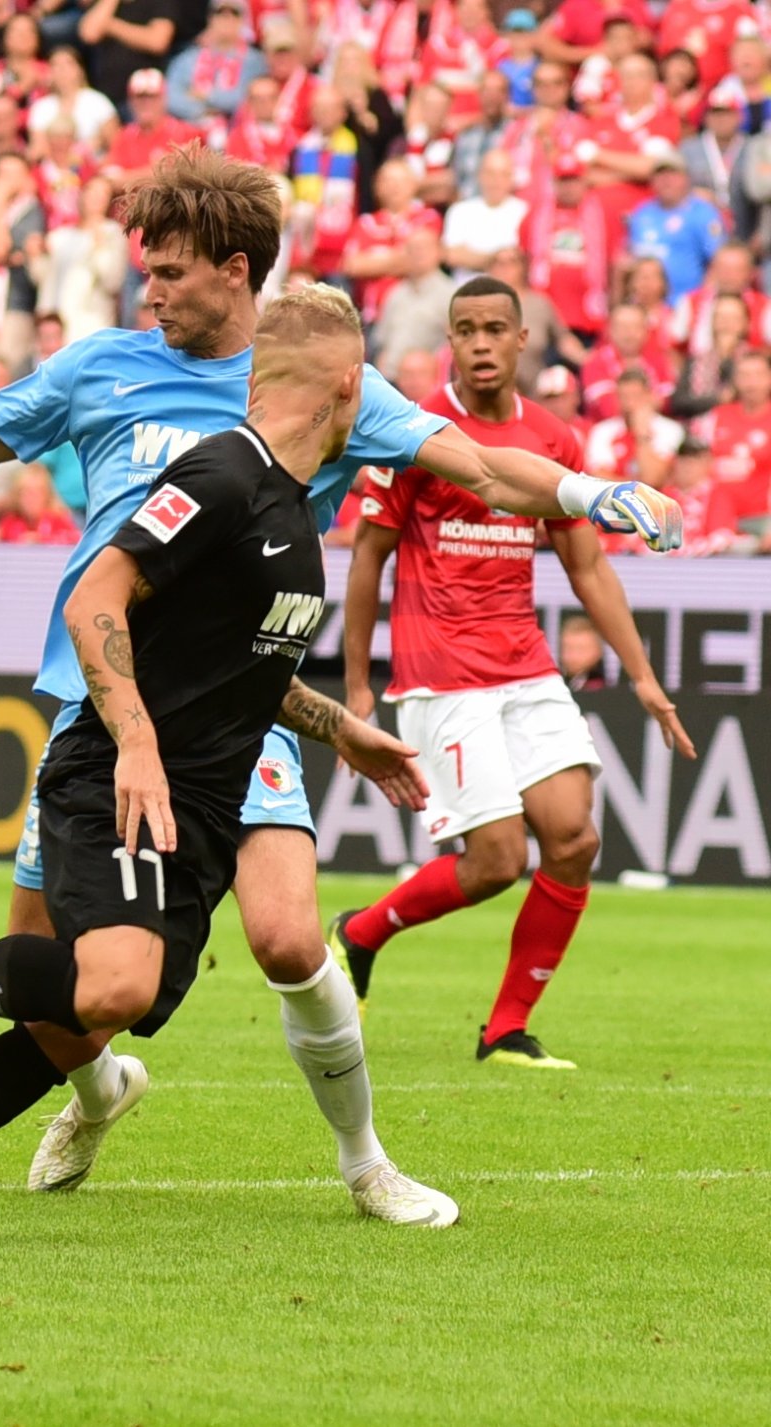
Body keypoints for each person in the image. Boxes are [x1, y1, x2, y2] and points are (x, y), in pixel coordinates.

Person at [0, 145, 684, 1211]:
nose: (150, 290)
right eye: (145, 269)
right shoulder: (99, 366)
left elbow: (482, 465)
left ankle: (366, 1164)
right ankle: (89, 1091)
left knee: (291, 938)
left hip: (241, 713)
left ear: (235, 268)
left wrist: (588, 488)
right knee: (70, 987)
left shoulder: (318, 379)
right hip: (107, 704)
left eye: (169, 271)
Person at [0, 287, 445, 1245]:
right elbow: (97, 596)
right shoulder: (220, 474)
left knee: (78, 1029)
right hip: (118, 773)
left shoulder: (293, 516)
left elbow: (238, 669)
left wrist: (340, 728)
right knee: (112, 985)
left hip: (202, 807)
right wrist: (132, 740)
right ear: (348, 388)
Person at [333, 276, 697, 1070]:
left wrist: (640, 675)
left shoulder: (554, 440)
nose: (483, 342)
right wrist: (358, 688)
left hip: (526, 666)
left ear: (523, 338)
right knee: (499, 859)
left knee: (573, 838)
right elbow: (367, 561)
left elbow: (588, 567)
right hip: (441, 670)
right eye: (467, 330)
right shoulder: (416, 432)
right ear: (451, 343)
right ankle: (360, 932)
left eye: (497, 327)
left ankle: (504, 1029)